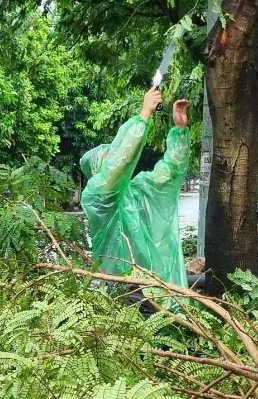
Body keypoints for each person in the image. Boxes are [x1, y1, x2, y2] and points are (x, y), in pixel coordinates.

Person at [79, 88, 191, 291]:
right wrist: (144, 114)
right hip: (114, 288)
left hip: (148, 288)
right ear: (96, 169)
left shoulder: (137, 190)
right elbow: (120, 161)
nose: (117, 159)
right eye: (109, 158)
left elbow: (170, 172)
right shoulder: (96, 197)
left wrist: (179, 131)